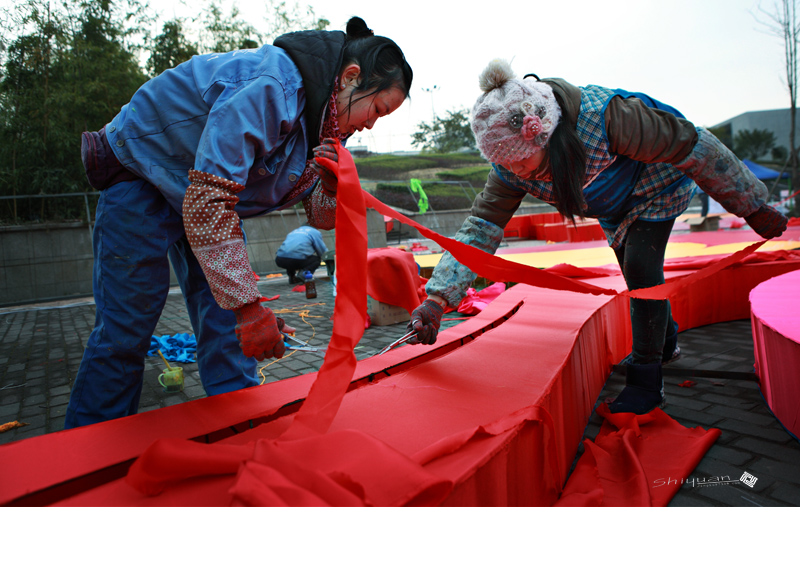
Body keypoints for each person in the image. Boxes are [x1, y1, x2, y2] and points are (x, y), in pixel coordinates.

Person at [65, 17, 413, 428]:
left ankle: (242, 433)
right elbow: (208, 199)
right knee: (126, 331)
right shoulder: (273, 85)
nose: (372, 123)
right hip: (144, 176)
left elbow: (319, 217)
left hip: (208, 205)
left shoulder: (327, 126)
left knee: (228, 331)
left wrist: (334, 186)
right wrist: (250, 308)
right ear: (351, 77)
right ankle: (88, 456)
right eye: (377, 108)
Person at [407, 59, 787, 415]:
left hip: (658, 183)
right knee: (638, 279)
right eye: (503, 163)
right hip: (612, 204)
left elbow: (691, 143)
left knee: (641, 268)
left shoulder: (607, 117)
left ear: (546, 135)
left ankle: (647, 381)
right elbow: (481, 228)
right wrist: (438, 300)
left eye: (520, 159)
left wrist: (751, 205)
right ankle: (665, 341)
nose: (515, 171)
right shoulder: (511, 170)